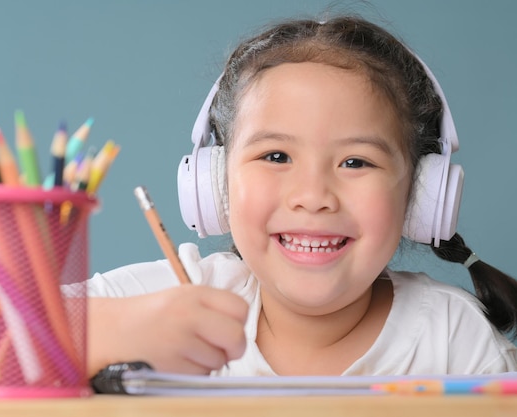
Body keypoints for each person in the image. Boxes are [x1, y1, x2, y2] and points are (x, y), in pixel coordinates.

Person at [85, 15, 517, 377]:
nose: (313, 197)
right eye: (276, 155)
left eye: (356, 162)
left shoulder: (453, 339)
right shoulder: (177, 296)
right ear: (213, 182)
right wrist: (111, 329)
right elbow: (17, 325)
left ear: (420, 196)